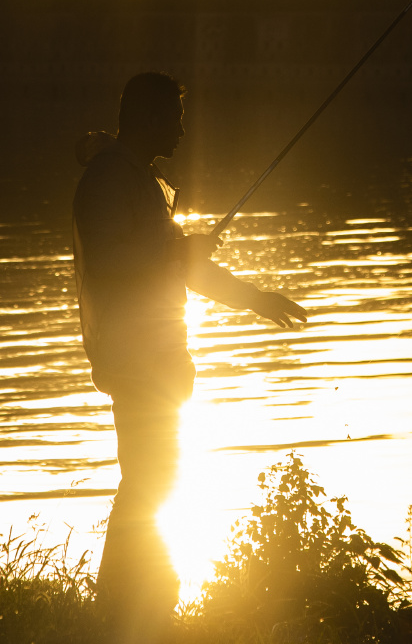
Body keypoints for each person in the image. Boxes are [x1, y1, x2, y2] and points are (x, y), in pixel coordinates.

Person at [72, 71, 307, 642]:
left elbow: (180, 265)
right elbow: (113, 264)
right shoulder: (109, 179)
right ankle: (134, 610)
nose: (182, 130)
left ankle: (134, 607)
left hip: (158, 359)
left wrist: (257, 300)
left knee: (153, 480)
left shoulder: (141, 181)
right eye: (174, 118)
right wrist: (178, 251)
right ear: (147, 117)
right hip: (136, 359)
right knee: (149, 482)